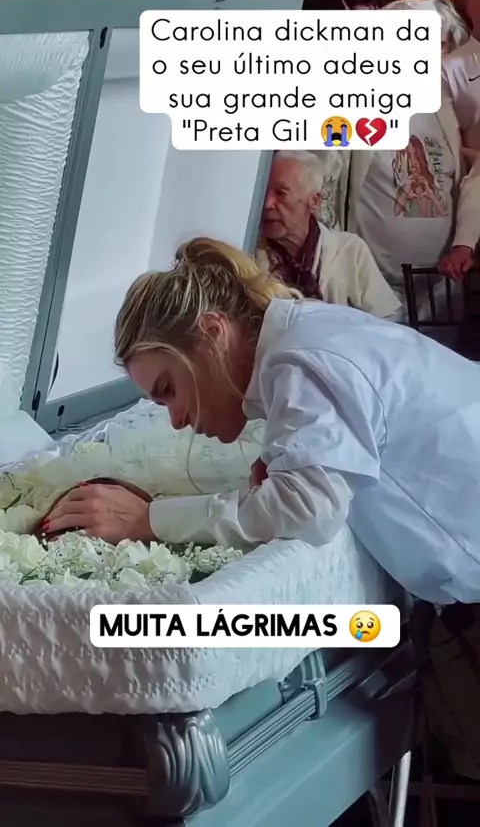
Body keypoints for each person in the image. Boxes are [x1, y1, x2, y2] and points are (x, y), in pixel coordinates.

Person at [42, 235, 480, 606]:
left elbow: (307, 509)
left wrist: (149, 519)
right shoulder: (301, 331)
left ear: (213, 333)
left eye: (169, 389)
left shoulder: (296, 360)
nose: (175, 420)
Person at [345, 0, 480, 297]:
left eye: (439, 44)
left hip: (440, 291)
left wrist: (464, 243)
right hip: (372, 290)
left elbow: (468, 177)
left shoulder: (442, 107)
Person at [257, 151, 401, 319]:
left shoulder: (350, 251)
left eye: (281, 193)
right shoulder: (249, 253)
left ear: (314, 201)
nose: (267, 204)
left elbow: (389, 318)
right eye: (264, 192)